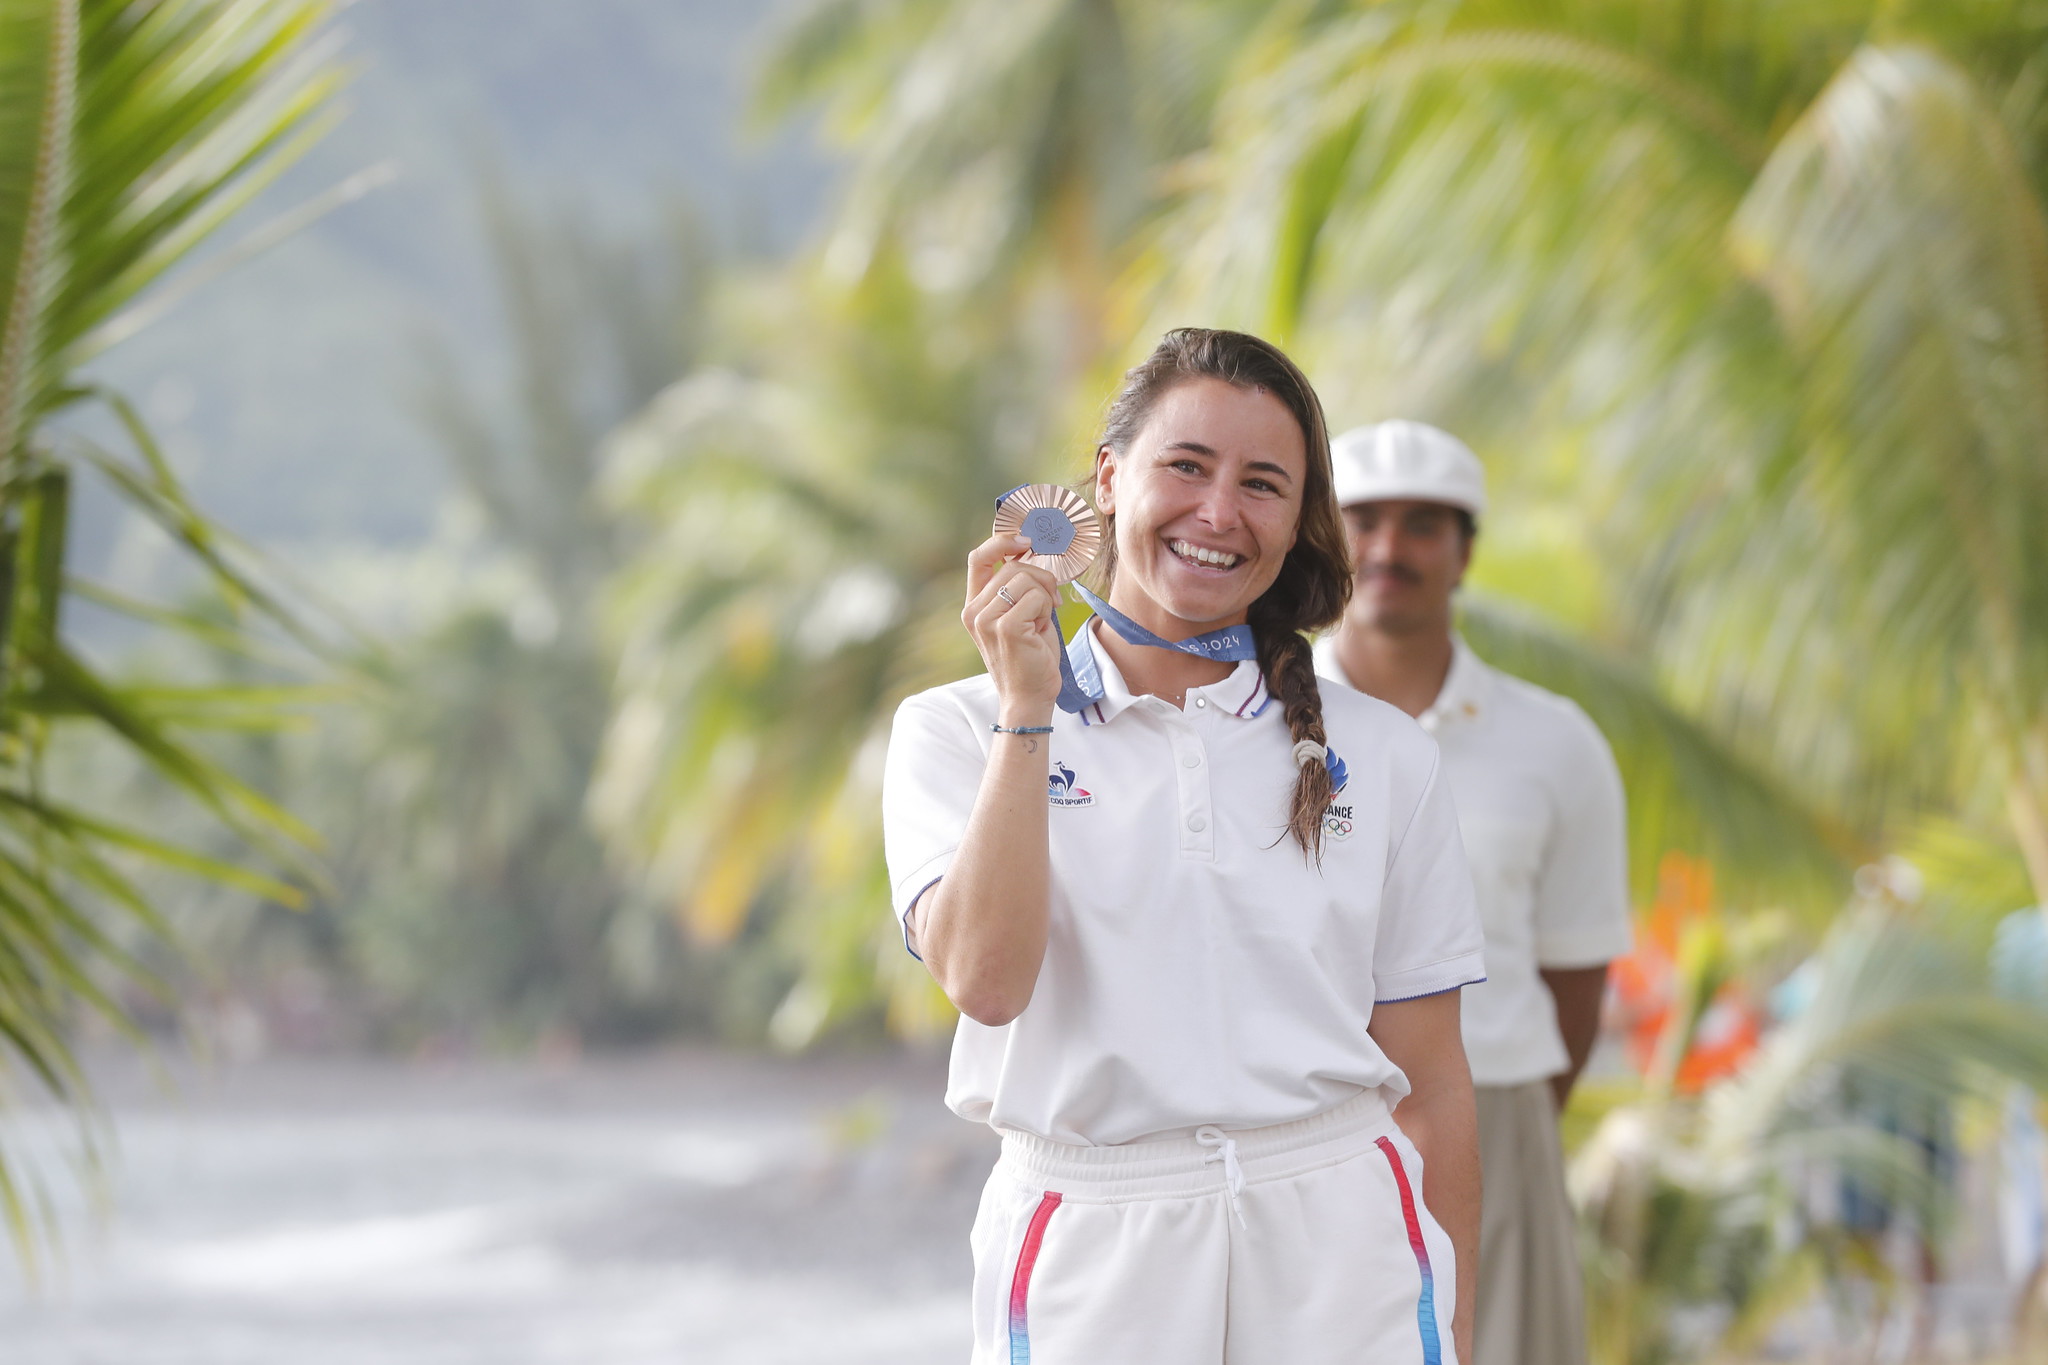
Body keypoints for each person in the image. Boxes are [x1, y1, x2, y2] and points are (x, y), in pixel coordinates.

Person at [883, 329, 1485, 1364]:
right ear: (1109, 479)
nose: (1218, 514)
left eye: (1262, 484)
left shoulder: (1382, 754)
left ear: (1297, 523)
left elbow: (1430, 1085)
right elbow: (984, 983)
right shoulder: (953, 730)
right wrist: (1029, 712)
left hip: (1343, 1246)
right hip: (1094, 1241)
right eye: (1186, 466)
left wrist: (1460, 1331)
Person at [1314, 420, 1632, 1365]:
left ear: (1465, 553)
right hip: (1309, 1120)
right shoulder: (1253, 722)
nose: (1388, 549)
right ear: (1326, 540)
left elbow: (1576, 978)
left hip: (1499, 1118)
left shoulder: (1558, 743)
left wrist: (1500, 1122)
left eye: (1422, 525)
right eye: (1363, 521)